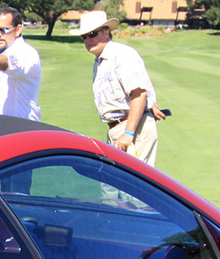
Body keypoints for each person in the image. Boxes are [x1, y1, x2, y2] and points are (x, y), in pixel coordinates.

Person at [68, 10, 165, 166]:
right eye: (84, 36)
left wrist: (128, 132)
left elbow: (139, 93)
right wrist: (149, 106)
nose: (88, 39)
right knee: (112, 186)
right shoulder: (101, 61)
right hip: (119, 128)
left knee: (131, 186)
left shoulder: (122, 55)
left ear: (106, 32)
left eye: (92, 34)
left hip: (132, 130)